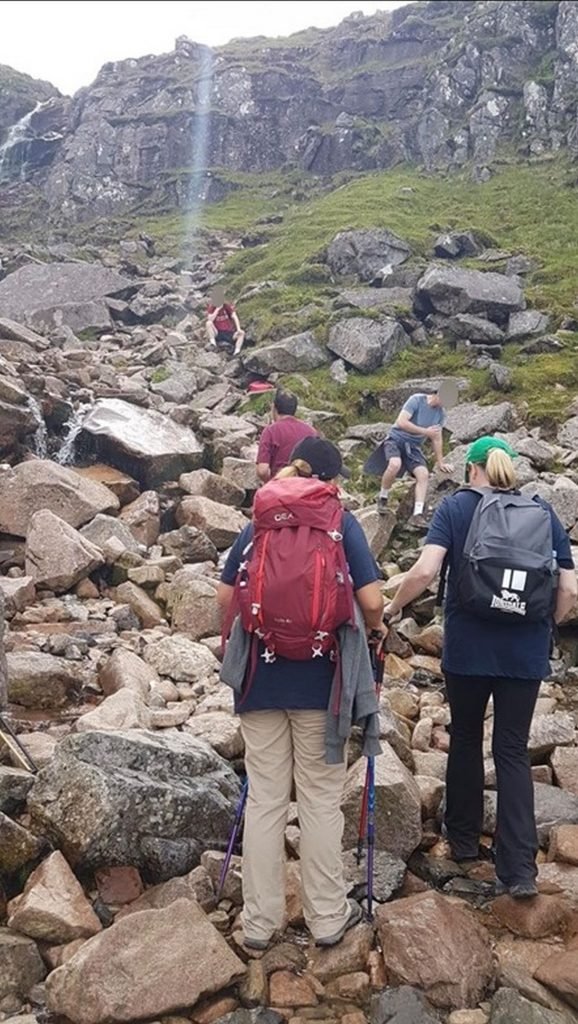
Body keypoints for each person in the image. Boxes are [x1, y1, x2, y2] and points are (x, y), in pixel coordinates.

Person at [382, 436, 577, 899]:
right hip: (524, 653)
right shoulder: (542, 512)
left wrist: (391, 608)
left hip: (469, 649)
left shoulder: (455, 508)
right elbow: (568, 588)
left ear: (472, 469)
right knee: (511, 751)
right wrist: (545, 623)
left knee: (466, 737)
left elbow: (427, 571)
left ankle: (465, 840)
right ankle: (520, 871)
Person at [217, 437, 385, 949]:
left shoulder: (260, 521)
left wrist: (243, 640)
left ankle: (259, 925)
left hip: (258, 682)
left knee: (266, 800)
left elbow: (226, 596)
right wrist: (374, 630)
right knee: (318, 801)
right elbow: (372, 600)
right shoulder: (339, 521)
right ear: (332, 480)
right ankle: (328, 919)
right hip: (322, 684)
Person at [364, 380, 458, 521]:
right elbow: (402, 422)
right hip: (395, 439)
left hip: (413, 447)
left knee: (423, 474)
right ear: (438, 394)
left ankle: (418, 514)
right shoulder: (416, 400)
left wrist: (440, 462)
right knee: (394, 464)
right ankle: (383, 497)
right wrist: (424, 431)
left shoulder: (440, 414)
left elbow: (437, 438)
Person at [256, 389, 318, 483]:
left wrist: (270, 483)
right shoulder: (311, 431)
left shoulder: (270, 431)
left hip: (279, 488)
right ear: (295, 409)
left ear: (274, 407)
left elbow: (263, 470)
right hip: (304, 489)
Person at [206, 284, 245, 356]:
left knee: (241, 333)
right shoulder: (212, 307)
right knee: (208, 323)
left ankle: (237, 351)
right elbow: (210, 319)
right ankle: (213, 343)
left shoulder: (226, 306)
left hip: (229, 333)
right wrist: (217, 309)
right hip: (218, 333)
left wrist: (238, 328)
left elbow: (234, 316)